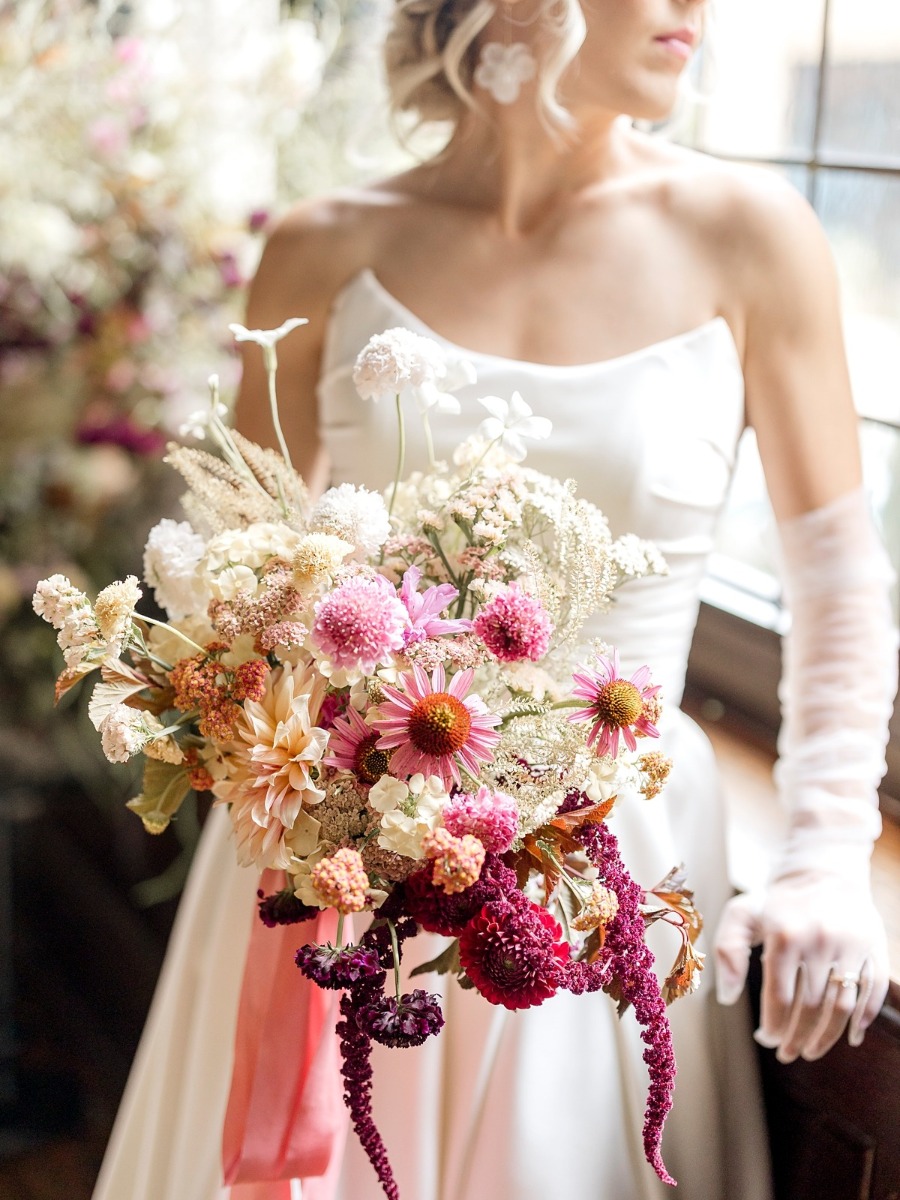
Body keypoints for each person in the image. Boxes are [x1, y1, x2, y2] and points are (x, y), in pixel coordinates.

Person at [92, 0, 897, 1198]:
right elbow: (237, 586)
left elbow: (835, 581)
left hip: (610, 861)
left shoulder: (751, 235)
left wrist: (828, 851)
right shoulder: (323, 245)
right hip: (331, 857)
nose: (699, 9)